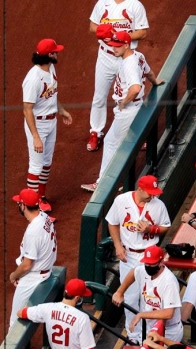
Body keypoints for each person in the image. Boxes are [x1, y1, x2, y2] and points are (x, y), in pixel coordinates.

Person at [81, 31, 164, 192]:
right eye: (112, 45)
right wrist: (155, 82)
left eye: (117, 46)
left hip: (128, 110)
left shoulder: (129, 63)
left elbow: (135, 88)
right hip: (135, 108)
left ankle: (104, 183)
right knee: (122, 142)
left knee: (111, 141)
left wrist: (123, 103)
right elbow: (149, 72)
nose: (114, 48)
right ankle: (118, 179)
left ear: (127, 44)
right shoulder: (138, 56)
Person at [105, 175, 171, 341]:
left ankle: (152, 334)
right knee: (131, 297)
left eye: (154, 192)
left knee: (152, 298)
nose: (152, 195)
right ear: (139, 189)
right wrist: (118, 245)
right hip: (129, 255)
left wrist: (152, 229)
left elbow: (165, 227)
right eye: (150, 192)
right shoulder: (121, 201)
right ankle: (134, 335)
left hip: (151, 256)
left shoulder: (159, 205)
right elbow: (112, 222)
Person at [87, 0, 149, 152]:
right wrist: (104, 32)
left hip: (126, 57)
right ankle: (95, 131)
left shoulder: (135, 5)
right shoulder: (103, 3)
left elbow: (143, 32)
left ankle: (136, 134)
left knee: (133, 95)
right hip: (105, 57)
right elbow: (92, 27)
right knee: (99, 96)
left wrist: (119, 36)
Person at [22, 38, 72, 213]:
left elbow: (52, 94)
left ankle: (40, 197)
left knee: (46, 163)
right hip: (38, 125)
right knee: (36, 165)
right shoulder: (33, 79)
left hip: (52, 121)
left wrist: (62, 110)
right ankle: (31, 205)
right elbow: (27, 110)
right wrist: (35, 136)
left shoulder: (51, 68)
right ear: (49, 55)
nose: (58, 53)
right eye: (55, 51)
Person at [112, 245, 183, 343]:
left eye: (152, 264)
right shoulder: (143, 270)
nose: (148, 267)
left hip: (168, 331)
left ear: (161, 262)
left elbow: (168, 313)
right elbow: (133, 272)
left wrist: (141, 315)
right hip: (150, 328)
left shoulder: (169, 281)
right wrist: (120, 292)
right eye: (147, 264)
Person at [9, 189, 57, 329]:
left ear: (23, 206)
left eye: (19, 203)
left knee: (15, 322)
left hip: (33, 278)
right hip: (44, 271)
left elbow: (26, 265)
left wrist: (14, 275)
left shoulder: (33, 232)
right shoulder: (45, 217)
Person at [16, 279, 96, 349]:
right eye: (82, 296)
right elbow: (88, 347)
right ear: (77, 298)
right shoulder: (82, 318)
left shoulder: (47, 308)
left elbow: (21, 313)